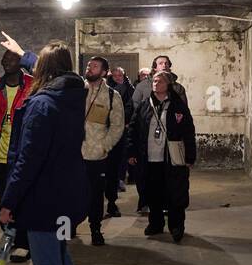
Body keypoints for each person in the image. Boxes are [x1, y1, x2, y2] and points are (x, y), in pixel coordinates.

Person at [0, 39, 91, 265]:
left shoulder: (41, 104)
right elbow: (52, 68)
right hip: (69, 193)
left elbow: (28, 160)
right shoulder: (74, 94)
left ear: (44, 70)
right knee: (60, 252)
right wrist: (24, 53)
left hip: (44, 196)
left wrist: (9, 200)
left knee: (47, 262)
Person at [129, 69, 196, 243]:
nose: (155, 83)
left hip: (171, 158)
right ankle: (156, 223)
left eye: (160, 81)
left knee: (175, 193)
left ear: (168, 85)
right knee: (152, 194)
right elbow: (134, 130)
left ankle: (176, 226)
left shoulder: (177, 105)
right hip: (149, 158)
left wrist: (190, 156)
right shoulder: (145, 105)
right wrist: (131, 152)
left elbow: (188, 131)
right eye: (154, 81)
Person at [0, 49, 34, 262]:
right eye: (4, 58)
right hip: (0, 155)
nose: (7, 61)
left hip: (23, 154)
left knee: (21, 200)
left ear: (21, 62)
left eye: (12, 58)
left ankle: (23, 243)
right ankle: (11, 237)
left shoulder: (33, 86)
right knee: (2, 198)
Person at [78, 56, 123, 245]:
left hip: (96, 155)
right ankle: (69, 225)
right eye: (89, 65)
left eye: (94, 66)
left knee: (96, 195)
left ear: (104, 72)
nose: (90, 68)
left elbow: (117, 126)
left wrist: (105, 145)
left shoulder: (112, 96)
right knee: (71, 191)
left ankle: (95, 228)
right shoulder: (76, 90)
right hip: (73, 152)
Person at [104, 66, 134, 216]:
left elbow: (129, 107)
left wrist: (124, 122)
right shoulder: (100, 91)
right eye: (113, 75)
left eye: (119, 75)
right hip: (98, 136)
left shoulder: (125, 90)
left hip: (118, 131)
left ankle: (111, 202)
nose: (116, 77)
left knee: (113, 168)